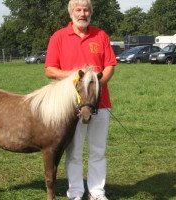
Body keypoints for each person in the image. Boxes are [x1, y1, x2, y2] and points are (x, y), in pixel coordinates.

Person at [45, 0, 117, 199]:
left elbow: (110, 65)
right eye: (78, 10)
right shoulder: (59, 37)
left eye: (86, 10)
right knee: (74, 151)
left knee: (98, 151)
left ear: (91, 12)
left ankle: (97, 191)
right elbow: (50, 70)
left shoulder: (101, 35)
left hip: (100, 104)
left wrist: (96, 86)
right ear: (71, 13)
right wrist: (77, 80)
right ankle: (75, 192)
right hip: (72, 106)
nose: (82, 13)